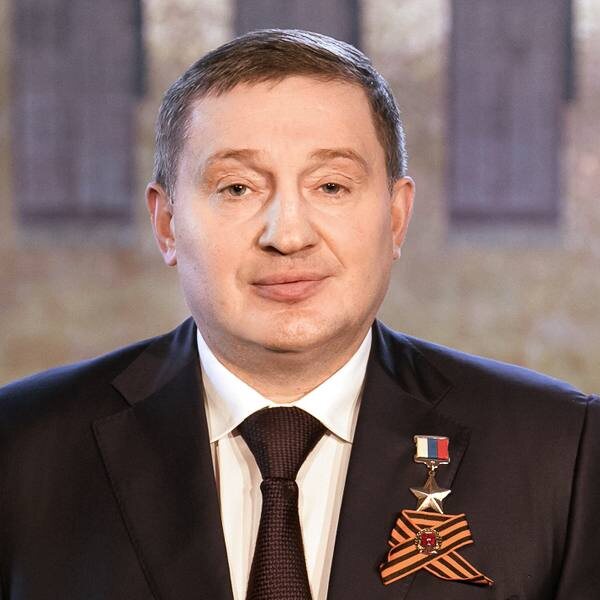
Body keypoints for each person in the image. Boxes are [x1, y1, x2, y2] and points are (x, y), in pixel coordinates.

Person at [0, 29, 598, 600]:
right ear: (167, 223)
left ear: (395, 218)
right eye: (237, 188)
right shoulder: (21, 446)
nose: (287, 236)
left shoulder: (560, 450)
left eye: (331, 186)